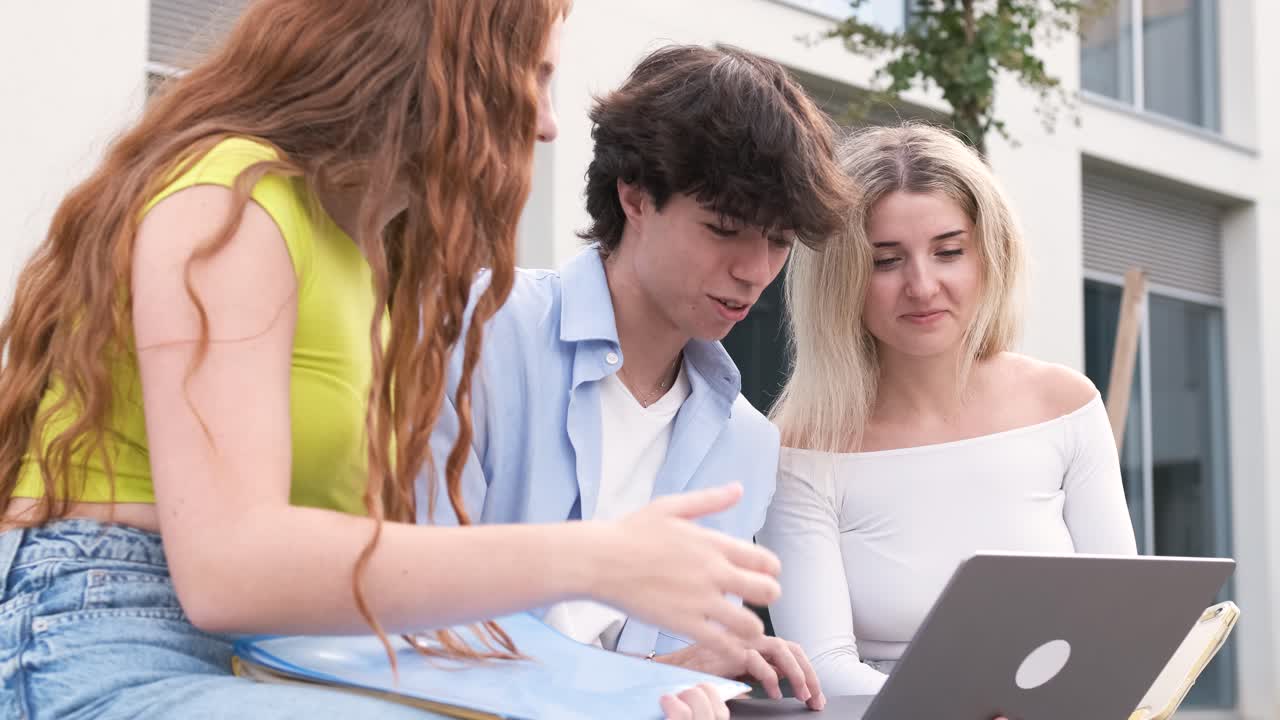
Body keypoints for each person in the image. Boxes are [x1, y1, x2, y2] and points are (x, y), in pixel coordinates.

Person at [0, 3, 783, 718]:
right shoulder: (233, 197)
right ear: (439, 59)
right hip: (98, 642)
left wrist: (642, 688)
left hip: (275, 660)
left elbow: (373, 591)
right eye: (535, 76)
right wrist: (595, 559)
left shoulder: (373, 262)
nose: (547, 125)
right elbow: (228, 570)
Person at [422, 44, 853, 712]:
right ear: (635, 196)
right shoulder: (481, 330)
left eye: (779, 241)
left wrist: (688, 669)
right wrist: (629, 685)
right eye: (725, 229)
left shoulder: (745, 443)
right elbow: (421, 614)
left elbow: (639, 674)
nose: (755, 271)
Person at [759, 123, 1139, 698]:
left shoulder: (1065, 406)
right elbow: (823, 669)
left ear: (990, 255)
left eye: (949, 252)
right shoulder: (799, 446)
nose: (922, 285)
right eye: (885, 261)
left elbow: (1123, 620)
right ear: (841, 279)